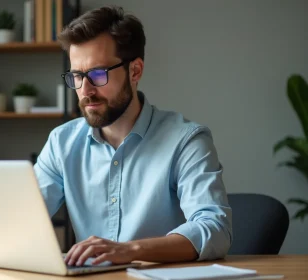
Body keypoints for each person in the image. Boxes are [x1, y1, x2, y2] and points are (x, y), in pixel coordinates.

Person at [33, 5, 232, 267]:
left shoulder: (186, 141)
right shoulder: (62, 143)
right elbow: (24, 219)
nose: (85, 90)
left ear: (135, 71)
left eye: (97, 74)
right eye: (77, 76)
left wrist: (130, 250)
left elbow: (215, 230)